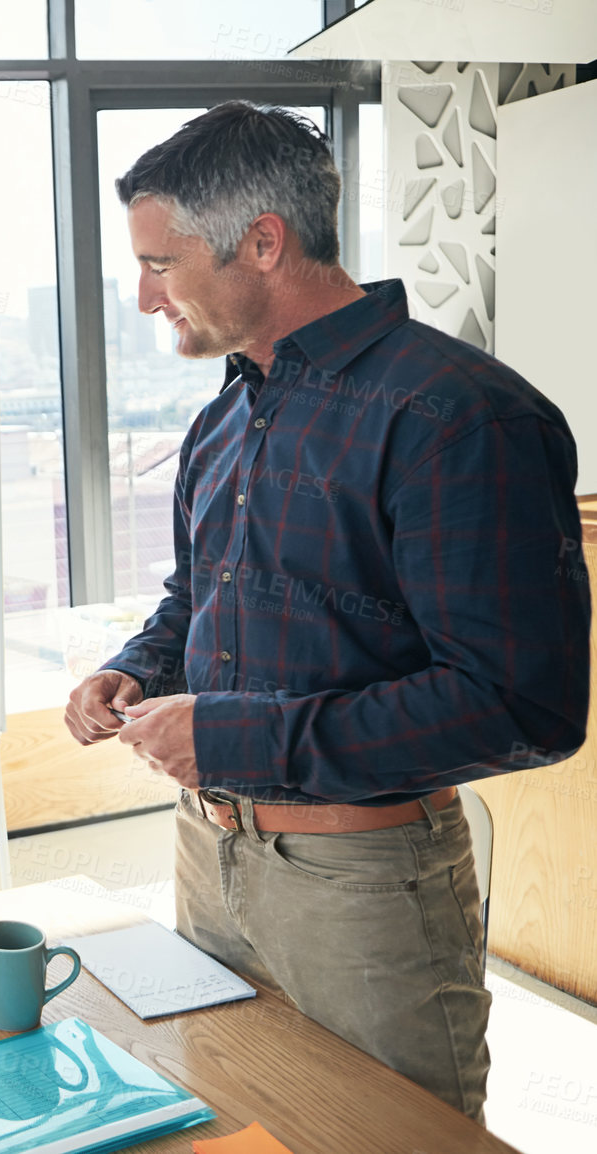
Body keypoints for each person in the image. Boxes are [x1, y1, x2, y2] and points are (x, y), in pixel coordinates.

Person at [64, 102, 590, 1121]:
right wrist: (138, 664)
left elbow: (519, 704)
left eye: (160, 264)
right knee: (234, 1116)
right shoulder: (226, 416)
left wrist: (227, 729)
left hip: (362, 881)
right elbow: (200, 596)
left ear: (262, 242)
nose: (142, 297)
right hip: (207, 850)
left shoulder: (457, 415)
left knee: (386, 1138)